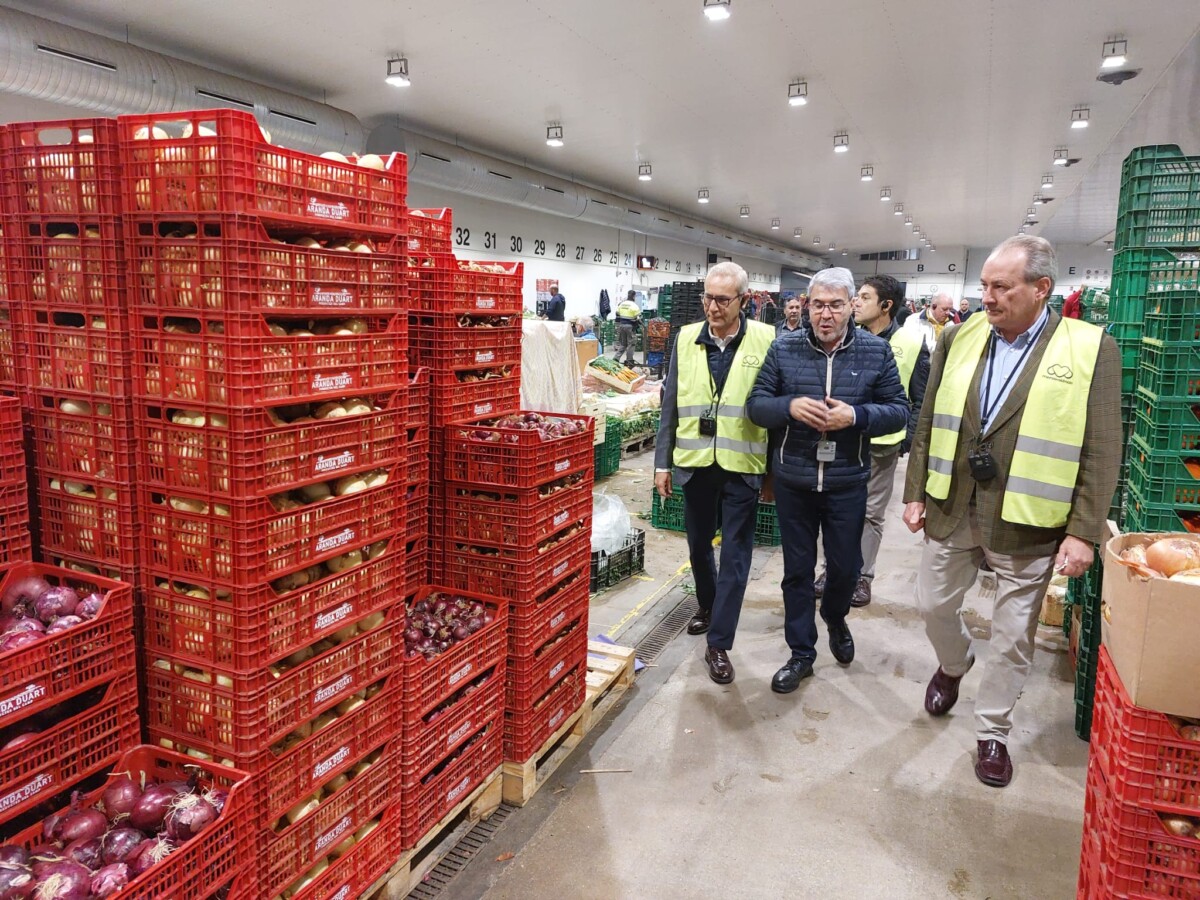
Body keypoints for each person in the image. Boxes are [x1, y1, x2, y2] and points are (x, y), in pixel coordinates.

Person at [902, 235, 1122, 788]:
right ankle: (954, 665)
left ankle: (992, 732)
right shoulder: (960, 335)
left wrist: (1084, 531)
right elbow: (927, 420)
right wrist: (914, 490)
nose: (988, 297)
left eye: (1002, 287)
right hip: (953, 504)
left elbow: (1101, 447)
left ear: (1040, 288)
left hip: (1028, 518)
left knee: (1012, 635)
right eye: (985, 286)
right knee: (932, 604)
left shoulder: (1089, 348)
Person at [746, 268, 908, 693]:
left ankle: (835, 617)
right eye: (818, 304)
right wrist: (790, 406)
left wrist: (855, 416)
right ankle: (802, 653)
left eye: (836, 305)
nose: (826, 314)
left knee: (845, 569)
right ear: (807, 305)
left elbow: (898, 409)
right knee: (797, 572)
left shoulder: (875, 352)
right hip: (793, 481)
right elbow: (757, 406)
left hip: (846, 481)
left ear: (851, 307)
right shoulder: (784, 349)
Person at [654, 262, 775, 685]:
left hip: (742, 467)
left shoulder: (766, 339)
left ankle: (719, 643)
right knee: (698, 546)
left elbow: (775, 413)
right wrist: (661, 463)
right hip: (695, 464)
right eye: (708, 297)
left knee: (737, 557)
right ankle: (706, 605)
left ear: (744, 300)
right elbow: (669, 404)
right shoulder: (686, 338)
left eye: (723, 299)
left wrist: (772, 473)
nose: (712, 306)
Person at [823, 274, 930, 608]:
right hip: (840, 441)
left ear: (886, 306)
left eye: (865, 298)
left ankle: (862, 577)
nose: (856, 303)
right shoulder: (844, 338)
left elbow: (920, 398)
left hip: (882, 444)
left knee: (870, 513)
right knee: (833, 509)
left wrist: (907, 440)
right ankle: (830, 571)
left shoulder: (911, 344)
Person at [614, 291, 641, 366]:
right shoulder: (634, 305)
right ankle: (629, 361)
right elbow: (637, 318)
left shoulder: (622, 304)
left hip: (621, 325)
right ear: (634, 296)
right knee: (631, 344)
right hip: (630, 327)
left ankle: (616, 358)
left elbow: (617, 314)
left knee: (623, 344)